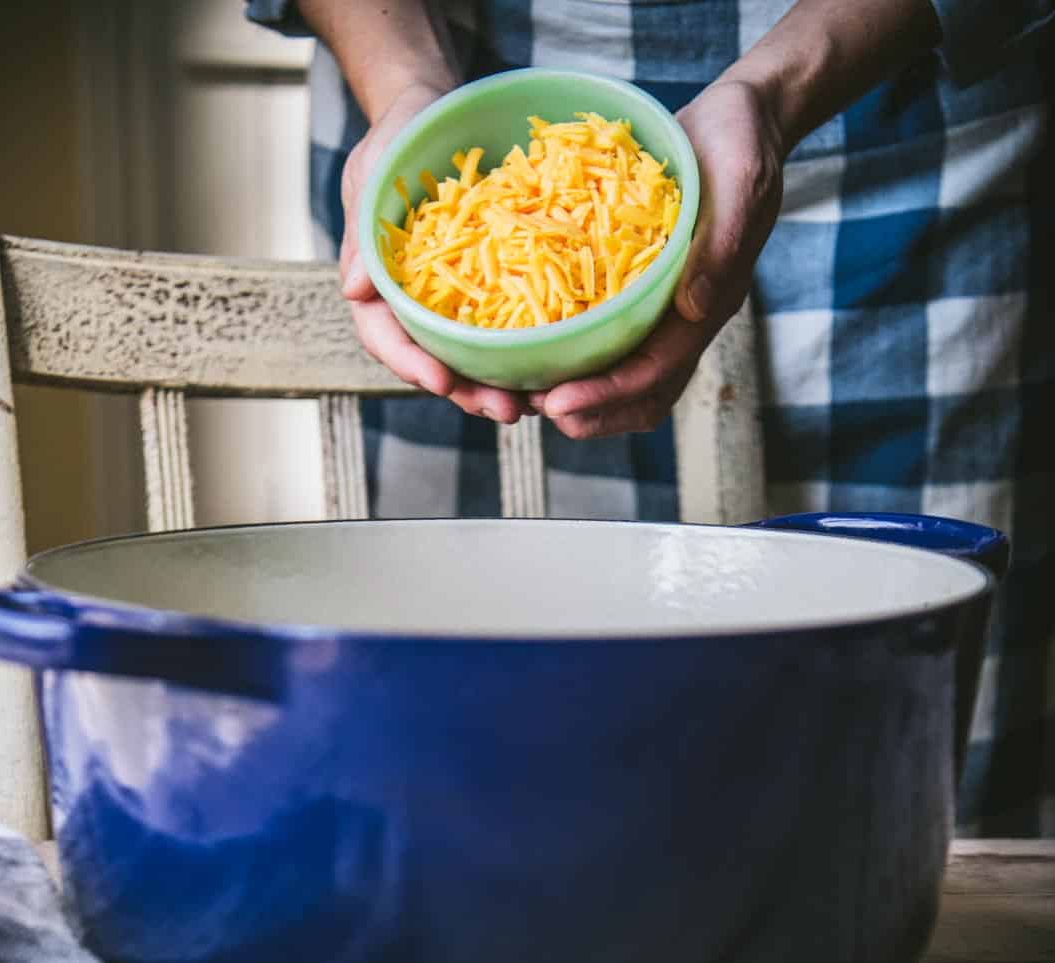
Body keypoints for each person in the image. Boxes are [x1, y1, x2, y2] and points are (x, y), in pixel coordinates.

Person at [245, 0, 1054, 835]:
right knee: (471, 754)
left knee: (903, 778)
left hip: (898, 142)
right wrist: (403, 89)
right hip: (432, 129)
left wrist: (773, 91)